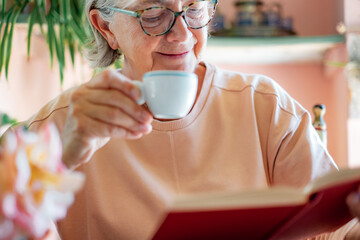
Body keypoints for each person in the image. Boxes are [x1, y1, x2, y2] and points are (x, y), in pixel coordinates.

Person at [21, 0, 360, 239]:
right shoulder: (62, 127)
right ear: (106, 27)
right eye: (153, 13)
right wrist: (59, 160)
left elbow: (336, 231)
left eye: (194, 8)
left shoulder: (266, 108)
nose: (182, 35)